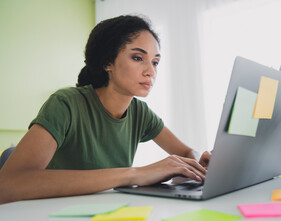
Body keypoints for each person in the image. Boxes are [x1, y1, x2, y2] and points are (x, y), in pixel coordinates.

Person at [0, 15, 210, 204]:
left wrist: (198, 164)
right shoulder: (66, 104)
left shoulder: (140, 112)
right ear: (108, 62)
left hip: (101, 216)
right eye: (138, 58)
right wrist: (134, 174)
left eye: (155, 62)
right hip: (49, 217)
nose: (150, 71)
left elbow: (184, 152)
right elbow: (9, 184)